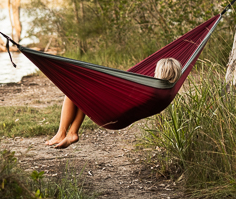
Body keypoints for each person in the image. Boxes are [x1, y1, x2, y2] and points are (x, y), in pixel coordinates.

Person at [44, 57, 183, 149]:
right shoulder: (167, 92)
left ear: (159, 72)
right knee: (84, 95)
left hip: (113, 114)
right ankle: (72, 133)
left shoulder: (151, 90)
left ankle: (61, 132)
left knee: (73, 91)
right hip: (120, 116)